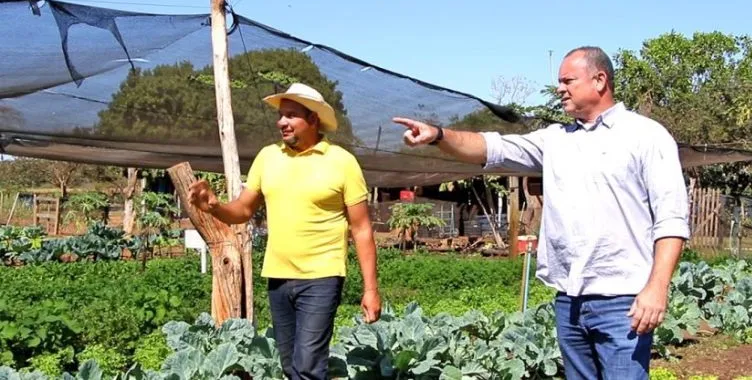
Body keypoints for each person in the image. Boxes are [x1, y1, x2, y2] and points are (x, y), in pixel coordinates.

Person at [393, 46, 689, 379]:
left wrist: (657, 287)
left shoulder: (645, 136)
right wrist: (439, 135)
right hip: (570, 300)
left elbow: (672, 219)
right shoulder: (556, 141)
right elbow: (493, 146)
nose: (559, 88)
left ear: (600, 80)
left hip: (623, 301)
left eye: (568, 81)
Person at [188, 82, 381, 380]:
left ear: (314, 119)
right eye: (281, 115)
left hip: (321, 277)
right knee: (291, 366)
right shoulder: (268, 157)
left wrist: (370, 290)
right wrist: (213, 205)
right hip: (278, 278)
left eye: (291, 115)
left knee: (308, 367)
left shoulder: (342, 162)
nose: (281, 122)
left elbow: (362, 229)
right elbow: (242, 210)